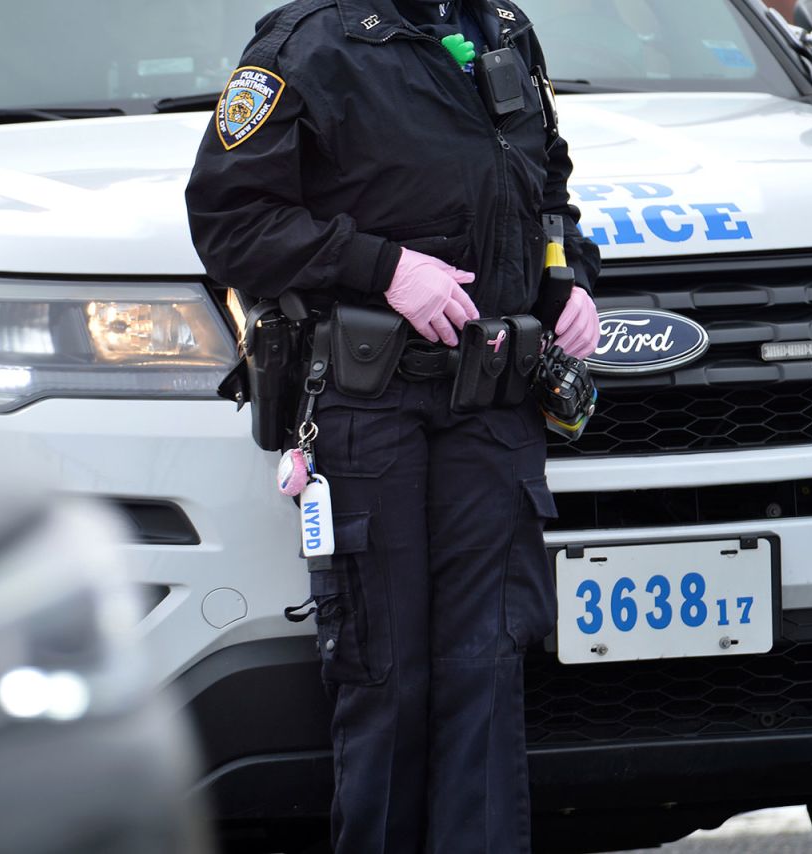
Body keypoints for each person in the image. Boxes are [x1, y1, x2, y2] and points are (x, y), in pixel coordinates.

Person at [186, 1, 601, 852]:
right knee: (388, 679)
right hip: (371, 409)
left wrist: (566, 283)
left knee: (486, 672)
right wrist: (383, 268)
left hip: (493, 403)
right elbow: (230, 221)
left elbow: (545, 184)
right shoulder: (309, 46)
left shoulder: (502, 28)